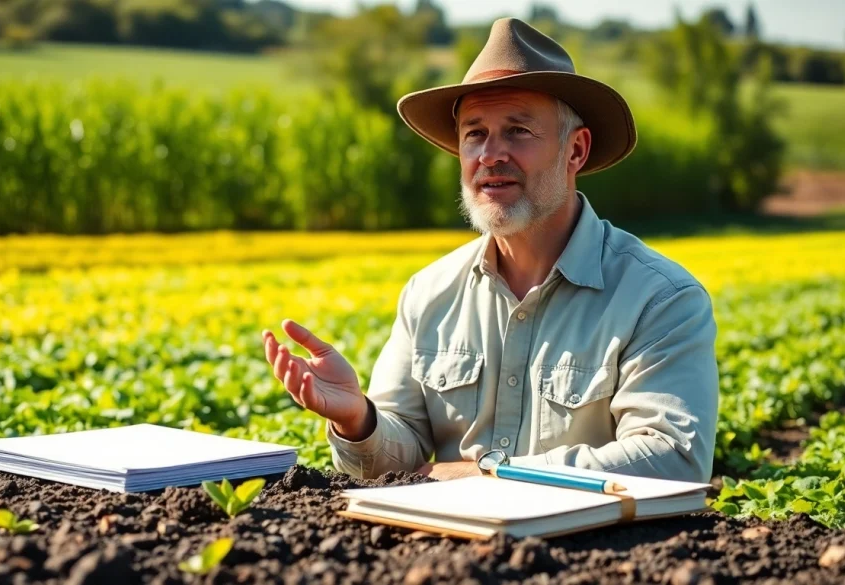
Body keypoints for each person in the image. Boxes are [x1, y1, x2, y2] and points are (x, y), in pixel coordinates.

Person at [261, 17, 718, 483]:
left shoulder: (659, 299)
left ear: (575, 151)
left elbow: (671, 457)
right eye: (475, 134)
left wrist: (489, 475)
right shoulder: (429, 293)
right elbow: (402, 464)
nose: (490, 155)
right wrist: (359, 420)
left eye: (518, 131)